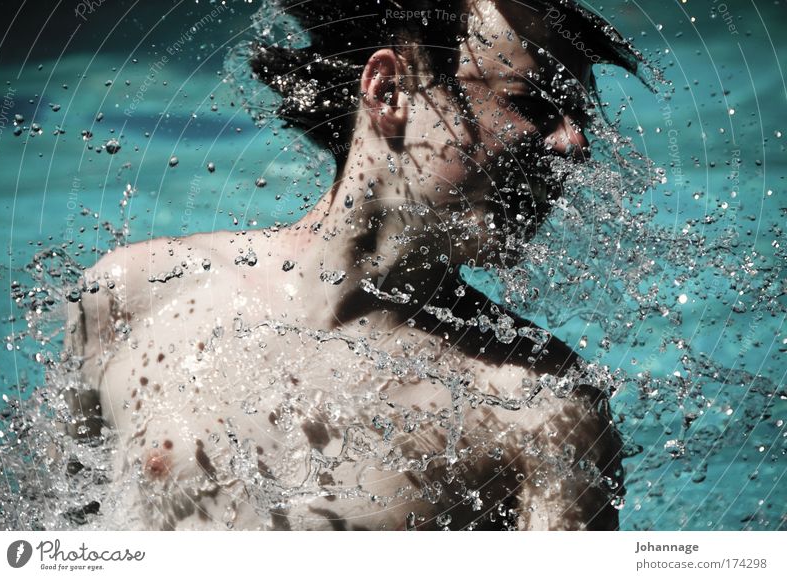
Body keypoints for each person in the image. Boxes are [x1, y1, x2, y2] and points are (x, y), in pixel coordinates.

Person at [62, 0, 649, 530]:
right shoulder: (134, 296)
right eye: (531, 103)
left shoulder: (541, 410)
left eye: (578, 116)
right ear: (390, 91)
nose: (574, 144)